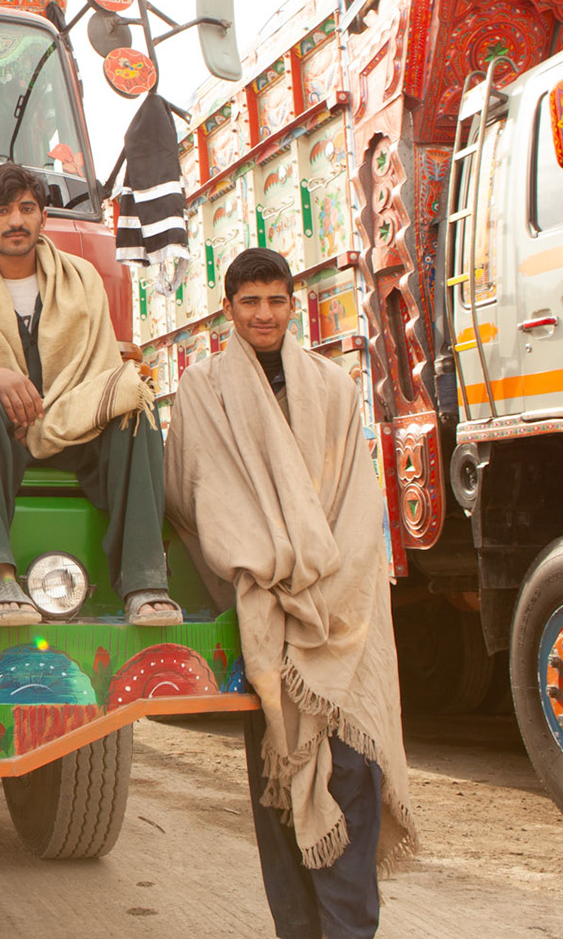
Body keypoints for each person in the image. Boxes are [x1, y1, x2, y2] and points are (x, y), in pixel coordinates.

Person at [164, 247, 416, 939]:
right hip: (263, 629)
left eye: (276, 301)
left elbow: (356, 511)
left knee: (351, 786)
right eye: (251, 302)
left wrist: (318, 583)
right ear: (228, 310)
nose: (265, 314)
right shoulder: (203, 390)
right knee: (278, 801)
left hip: (340, 621)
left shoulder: (334, 388)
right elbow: (195, 499)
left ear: (293, 305)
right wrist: (261, 568)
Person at [0, 161, 181, 626]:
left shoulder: (83, 280)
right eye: (2, 210)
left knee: (135, 402)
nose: (16, 221)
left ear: (44, 217)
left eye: (27, 208)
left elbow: (100, 368)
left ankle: (145, 584)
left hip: (75, 428)